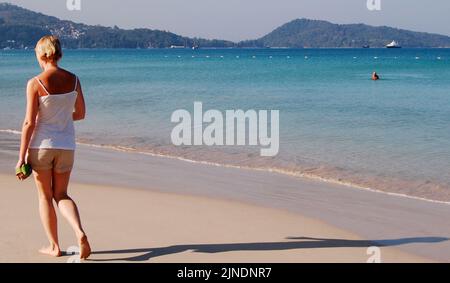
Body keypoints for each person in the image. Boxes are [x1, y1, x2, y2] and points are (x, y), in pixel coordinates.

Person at [15, 35, 91, 260]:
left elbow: (29, 122)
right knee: (62, 194)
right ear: (58, 53)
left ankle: (54, 247)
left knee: (45, 197)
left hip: (42, 147)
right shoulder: (75, 80)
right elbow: (81, 114)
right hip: (67, 146)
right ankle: (79, 232)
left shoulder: (35, 83)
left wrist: (21, 157)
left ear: (42, 54)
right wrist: (61, 120)